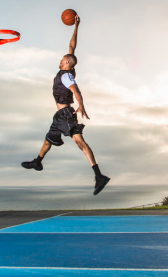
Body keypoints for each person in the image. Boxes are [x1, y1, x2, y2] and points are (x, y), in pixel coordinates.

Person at [21, 15, 110, 195]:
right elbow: (72, 46)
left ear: (67, 63)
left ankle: (99, 176)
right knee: (48, 140)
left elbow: (76, 90)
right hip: (59, 117)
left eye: (63, 59)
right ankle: (37, 162)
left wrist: (81, 105)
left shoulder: (66, 75)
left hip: (66, 115)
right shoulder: (66, 69)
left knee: (79, 142)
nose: (60, 60)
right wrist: (75, 26)